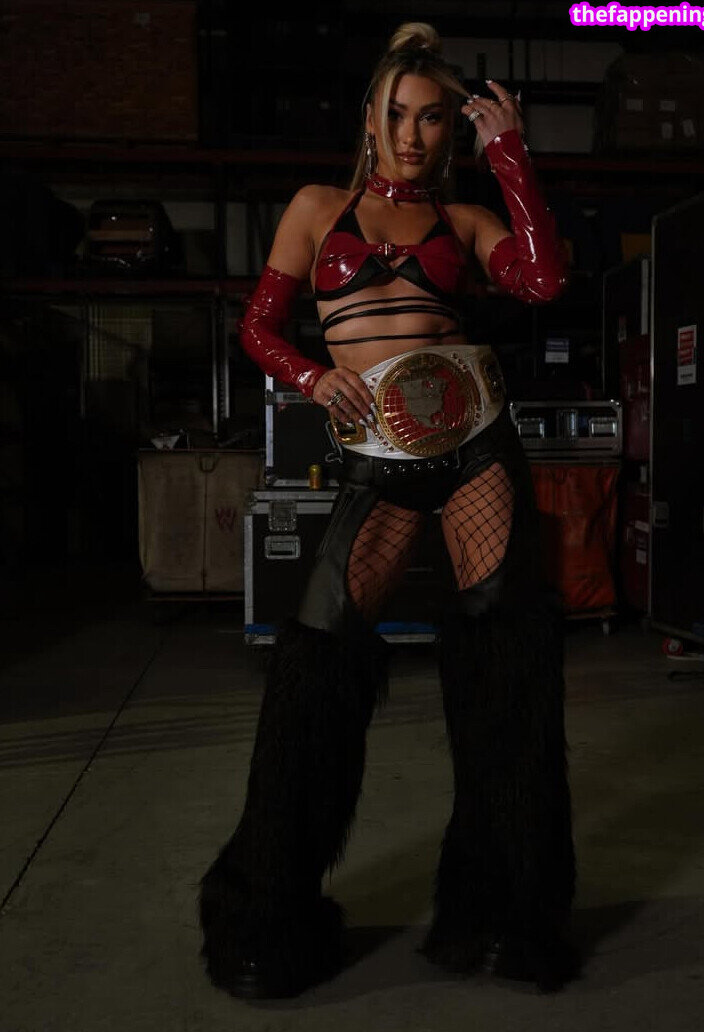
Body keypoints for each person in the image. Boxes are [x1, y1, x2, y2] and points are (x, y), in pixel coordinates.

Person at [199, 21, 580, 999]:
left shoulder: (465, 219)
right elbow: (258, 326)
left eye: (433, 118)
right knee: (315, 660)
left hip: (476, 446)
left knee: (505, 667)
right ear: (370, 118)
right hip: (374, 456)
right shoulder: (316, 208)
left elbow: (543, 279)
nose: (412, 134)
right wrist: (308, 376)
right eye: (397, 114)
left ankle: (507, 917)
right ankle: (266, 920)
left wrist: (511, 153)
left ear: (451, 129)